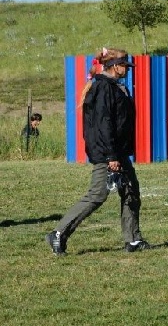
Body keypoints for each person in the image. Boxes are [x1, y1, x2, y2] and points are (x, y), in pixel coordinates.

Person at [46, 47, 150, 256]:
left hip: (118, 152)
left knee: (131, 191)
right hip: (107, 152)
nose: (128, 70)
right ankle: (58, 233)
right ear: (115, 66)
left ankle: (133, 240)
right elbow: (104, 124)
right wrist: (111, 156)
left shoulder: (115, 86)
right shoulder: (103, 88)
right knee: (97, 195)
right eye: (125, 66)